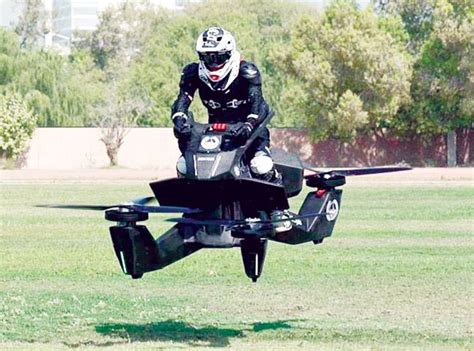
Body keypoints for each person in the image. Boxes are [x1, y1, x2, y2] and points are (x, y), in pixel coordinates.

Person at [170, 26, 281, 185]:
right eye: (208, 58)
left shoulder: (246, 71)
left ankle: (275, 208)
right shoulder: (193, 73)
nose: (213, 64)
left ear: (229, 54)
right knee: (184, 166)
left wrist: (249, 125)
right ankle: (195, 207)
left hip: (250, 130)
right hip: (215, 133)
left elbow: (258, 104)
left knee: (261, 166)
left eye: (218, 57)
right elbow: (182, 99)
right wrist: (179, 119)